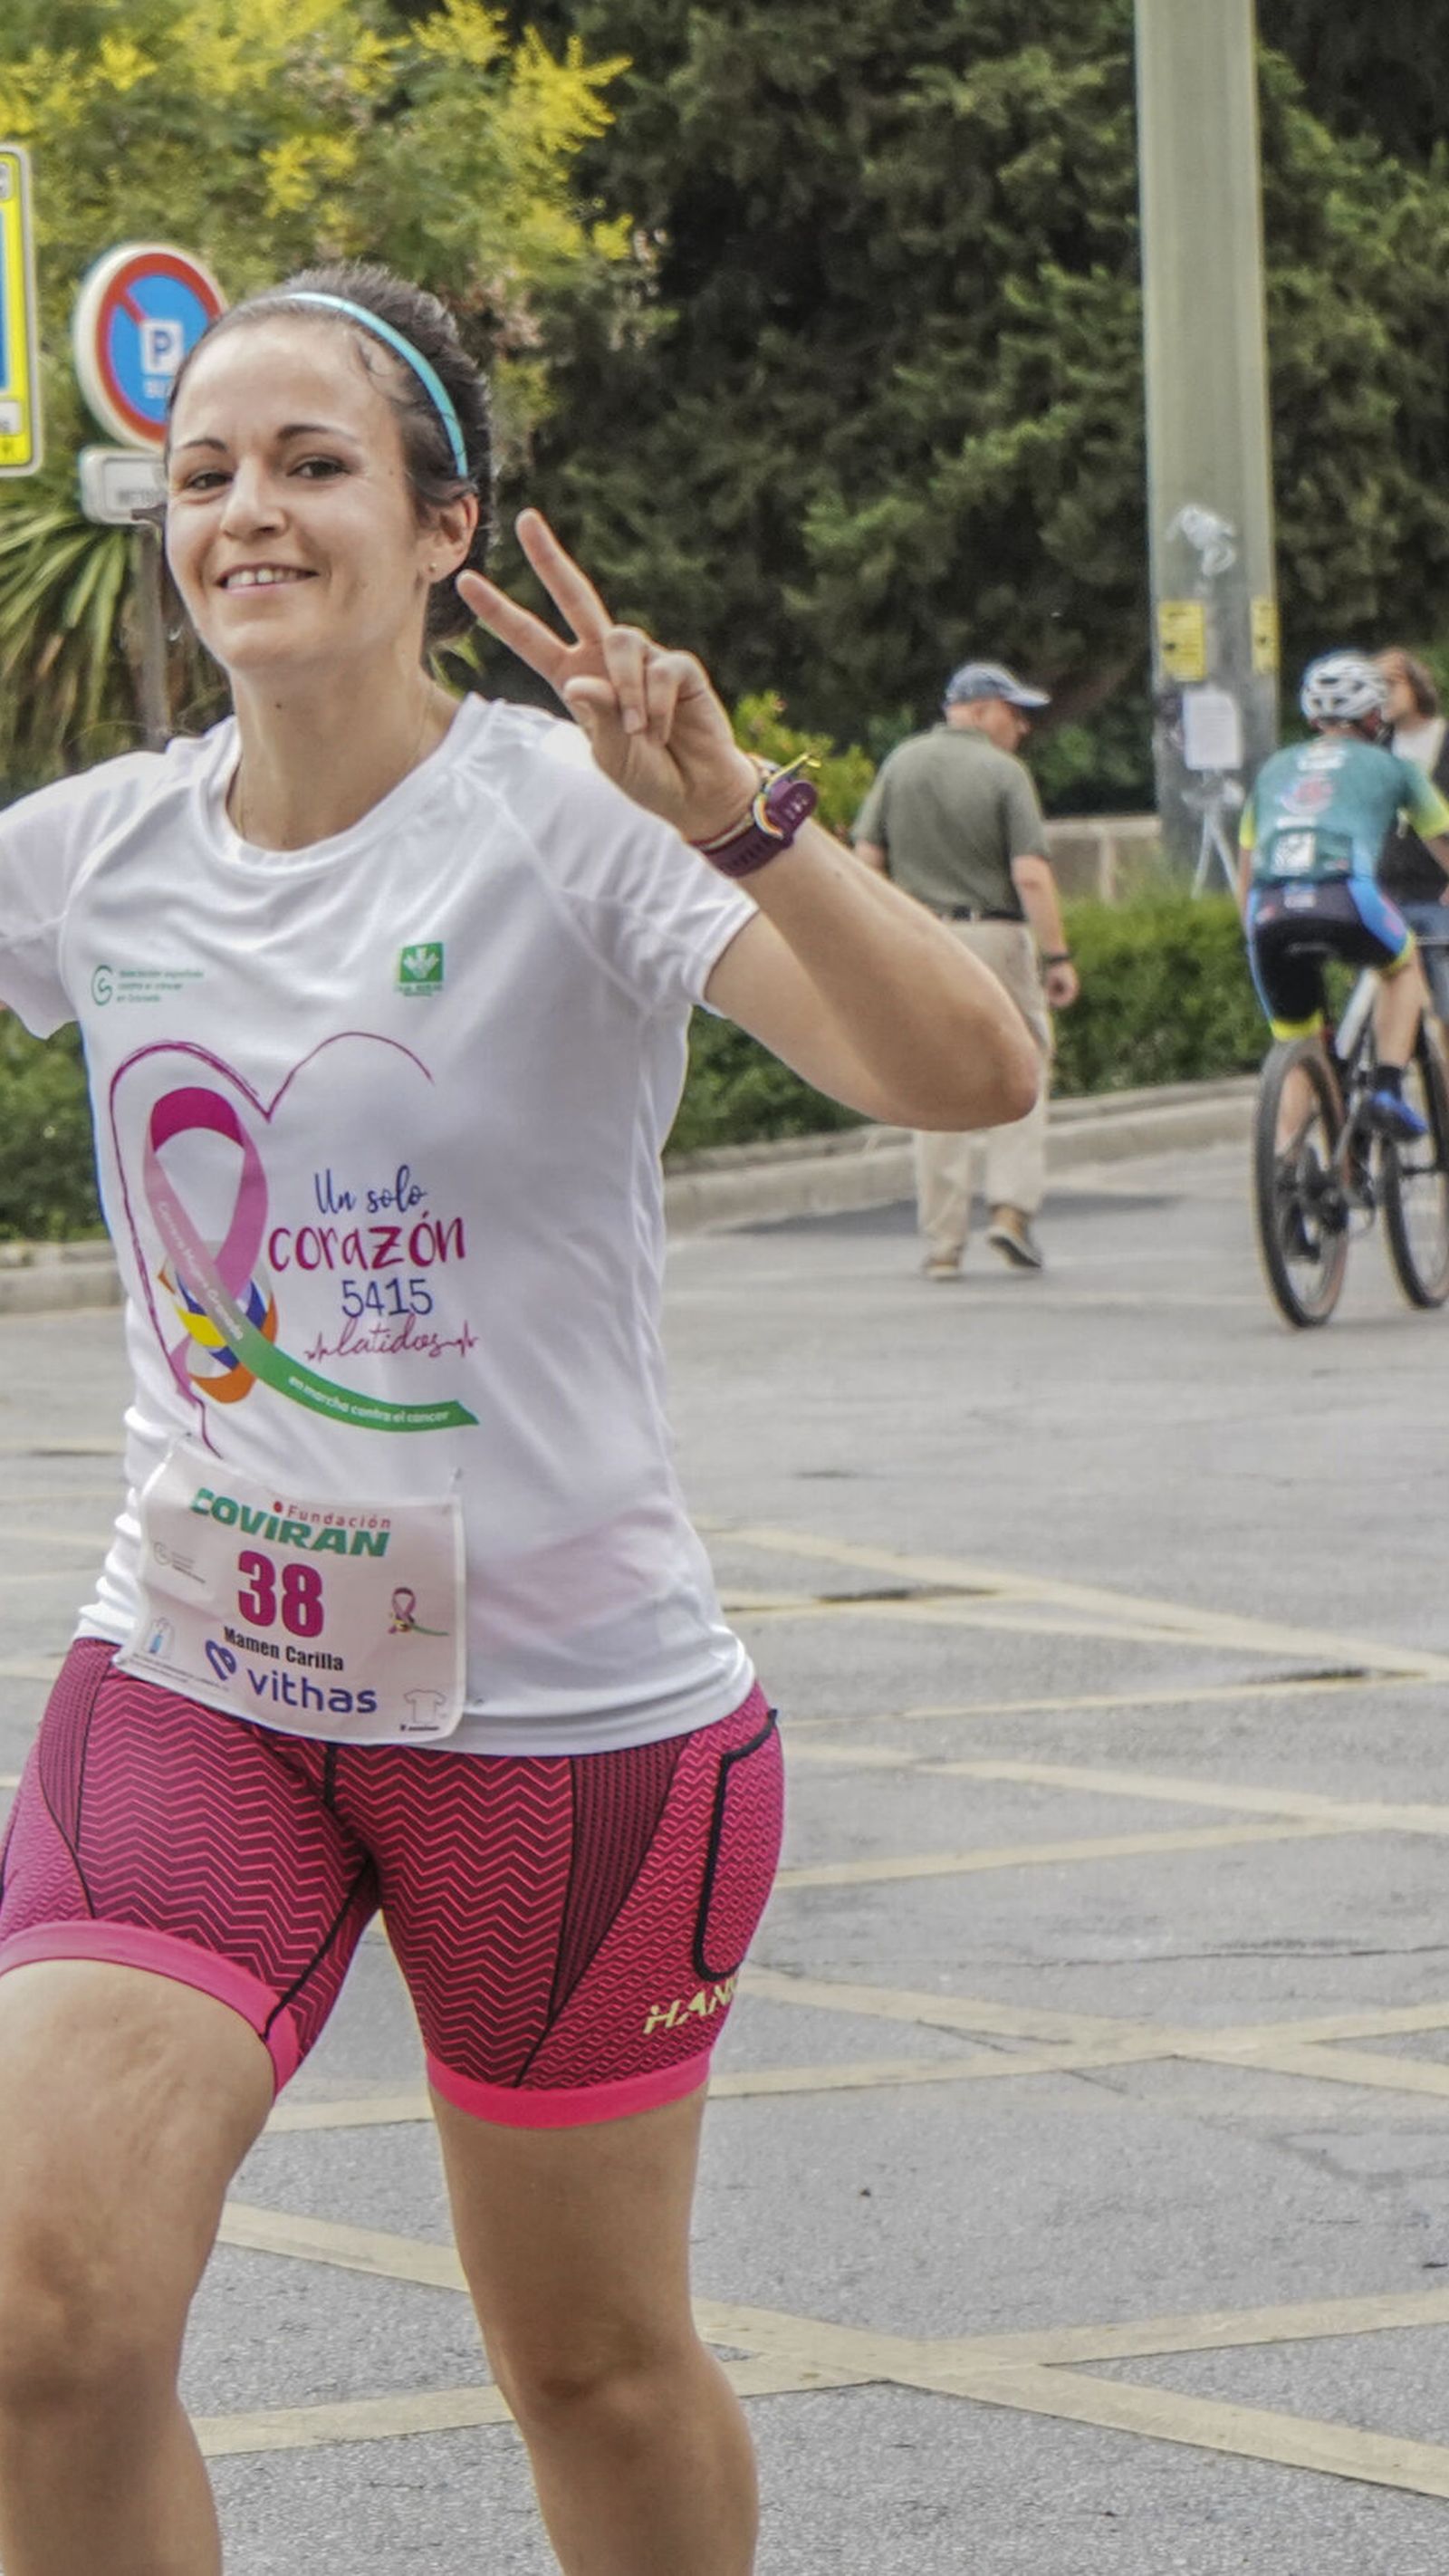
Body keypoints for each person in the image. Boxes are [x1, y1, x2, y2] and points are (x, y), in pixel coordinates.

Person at [0, 262, 1035, 2576]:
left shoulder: (575, 822)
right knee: (40, 2318)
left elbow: (972, 1077)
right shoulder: (92, 854)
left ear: (443, 527)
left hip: (565, 1731)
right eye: (201, 473)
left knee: (587, 2363)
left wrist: (742, 818)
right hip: (196, 1671)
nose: (244, 511)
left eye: (310, 464)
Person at [852, 660, 1079, 1277]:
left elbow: (865, 857)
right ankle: (1010, 1212)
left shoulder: (901, 763)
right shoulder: (1005, 774)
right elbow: (1030, 874)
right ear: (981, 709)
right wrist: (1056, 955)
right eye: (1015, 712)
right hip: (995, 936)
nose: (1023, 728)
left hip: (920, 937)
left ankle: (942, 1244)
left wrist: (881, 932)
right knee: (1023, 1064)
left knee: (932, 1083)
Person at [1238, 651, 1449, 1139]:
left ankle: (1293, 1174)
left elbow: (1246, 870)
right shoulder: (1392, 768)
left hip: (1268, 912)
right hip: (1346, 898)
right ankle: (1388, 1089)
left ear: (1313, 717)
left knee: (1298, 1050)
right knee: (1403, 965)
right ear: (1374, 716)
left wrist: (1249, 931)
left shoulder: (1273, 770)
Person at [1377, 646, 1449, 1024]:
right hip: (1386, 893)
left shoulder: (1445, 739)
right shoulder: (1376, 751)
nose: (1382, 694)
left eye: (1390, 683)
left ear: (1416, 685)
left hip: (1439, 894)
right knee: (1387, 1010)